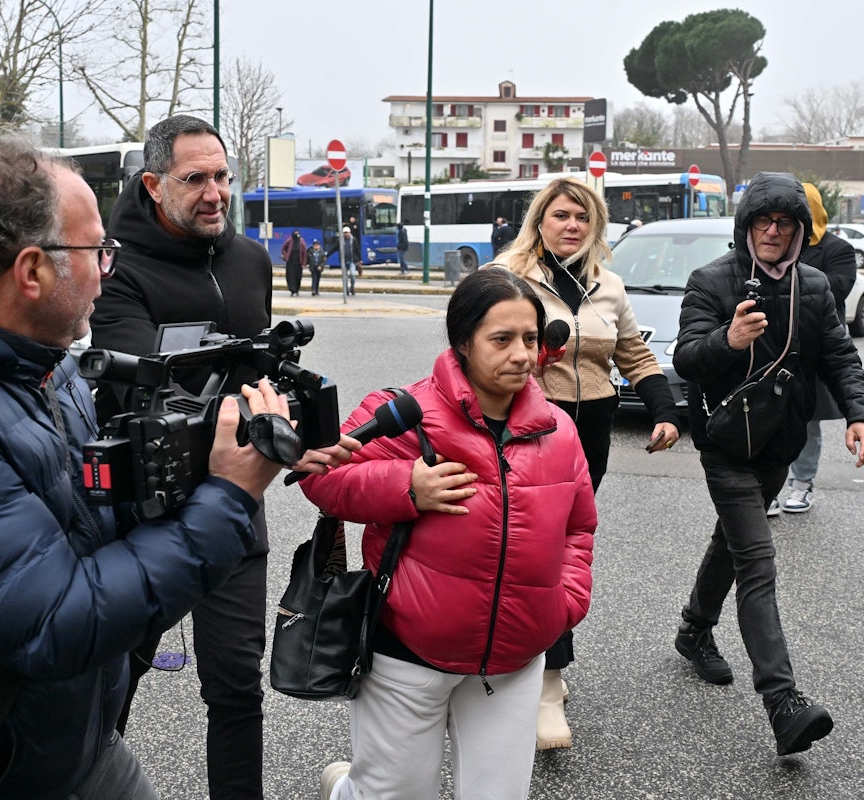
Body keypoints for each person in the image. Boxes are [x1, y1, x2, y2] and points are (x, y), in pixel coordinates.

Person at [0, 137, 313, 798]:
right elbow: (56, 622)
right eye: (96, 251)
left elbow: (89, 519)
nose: (107, 268)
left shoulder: (39, 363)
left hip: (53, 744)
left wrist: (195, 458)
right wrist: (229, 494)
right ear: (32, 271)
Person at [305, 267, 596, 800]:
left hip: (515, 659)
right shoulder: (403, 415)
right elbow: (322, 478)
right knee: (393, 795)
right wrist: (406, 488)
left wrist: (565, 601)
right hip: (408, 652)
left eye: (530, 339)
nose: (521, 355)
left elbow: (579, 527)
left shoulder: (559, 429)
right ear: (463, 342)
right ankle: (349, 790)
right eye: (502, 339)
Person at [89, 114, 275, 800]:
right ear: (152, 184)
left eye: (222, 176)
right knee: (112, 682)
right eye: (194, 178)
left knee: (235, 687)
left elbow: (269, 377)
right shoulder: (116, 270)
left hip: (234, 507)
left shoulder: (251, 260)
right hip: (146, 516)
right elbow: (143, 390)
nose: (215, 192)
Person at [673, 171, 864, 756]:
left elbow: (839, 355)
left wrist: (858, 413)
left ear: (802, 231)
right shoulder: (712, 280)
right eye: (764, 221)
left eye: (785, 223)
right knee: (757, 562)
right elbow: (686, 357)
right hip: (728, 445)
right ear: (747, 225)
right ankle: (783, 702)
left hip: (780, 447)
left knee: (732, 545)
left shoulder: (813, 285)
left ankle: (693, 629)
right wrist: (727, 341)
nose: (773, 232)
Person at [494, 176, 680, 749]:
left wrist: (665, 411)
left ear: (595, 226)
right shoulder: (507, 276)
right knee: (533, 546)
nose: (572, 225)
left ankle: (537, 660)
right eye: (560, 215)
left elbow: (634, 353)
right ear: (539, 221)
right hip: (526, 428)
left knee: (565, 547)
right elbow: (473, 346)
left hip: (591, 431)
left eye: (583, 216)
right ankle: (546, 682)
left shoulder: (609, 285)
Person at [767, 183, 856, 515]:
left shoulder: (839, 250)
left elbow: (837, 288)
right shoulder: (776, 243)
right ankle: (770, 485)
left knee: (807, 420)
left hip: (815, 351)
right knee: (768, 418)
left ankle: (802, 483)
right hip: (774, 346)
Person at [328, 226, 361, 295]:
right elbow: (334, 248)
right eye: (345, 233)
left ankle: (352, 288)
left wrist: (360, 259)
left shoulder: (353, 240)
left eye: (347, 233)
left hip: (352, 261)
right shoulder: (340, 241)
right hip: (343, 261)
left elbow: (357, 250)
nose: (346, 234)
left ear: (350, 233)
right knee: (344, 277)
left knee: (352, 275)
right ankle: (346, 290)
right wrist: (327, 255)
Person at [281, 229, 307, 296]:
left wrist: (304, 263)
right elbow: (283, 248)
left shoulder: (302, 242)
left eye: (297, 234)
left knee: (298, 276)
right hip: (290, 262)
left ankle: (297, 289)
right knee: (290, 276)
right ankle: (292, 290)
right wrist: (285, 255)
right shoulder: (289, 241)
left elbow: (304, 253)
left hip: (299, 263)